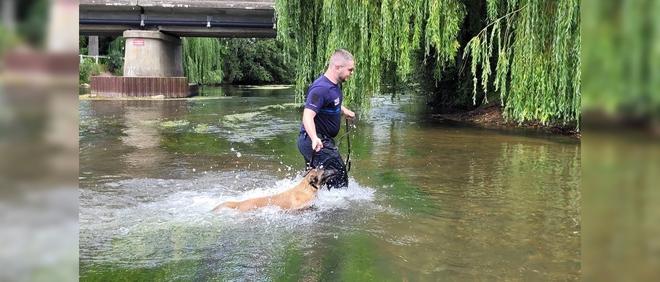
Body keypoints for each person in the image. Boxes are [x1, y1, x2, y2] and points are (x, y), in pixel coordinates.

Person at [297, 49, 356, 189]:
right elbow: (308, 115)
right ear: (337, 67)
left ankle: (305, 207)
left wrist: (344, 110)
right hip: (314, 141)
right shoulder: (320, 88)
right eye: (350, 70)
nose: (352, 73)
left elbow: (331, 103)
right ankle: (338, 210)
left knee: (314, 182)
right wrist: (314, 138)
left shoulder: (334, 86)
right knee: (339, 177)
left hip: (321, 140)